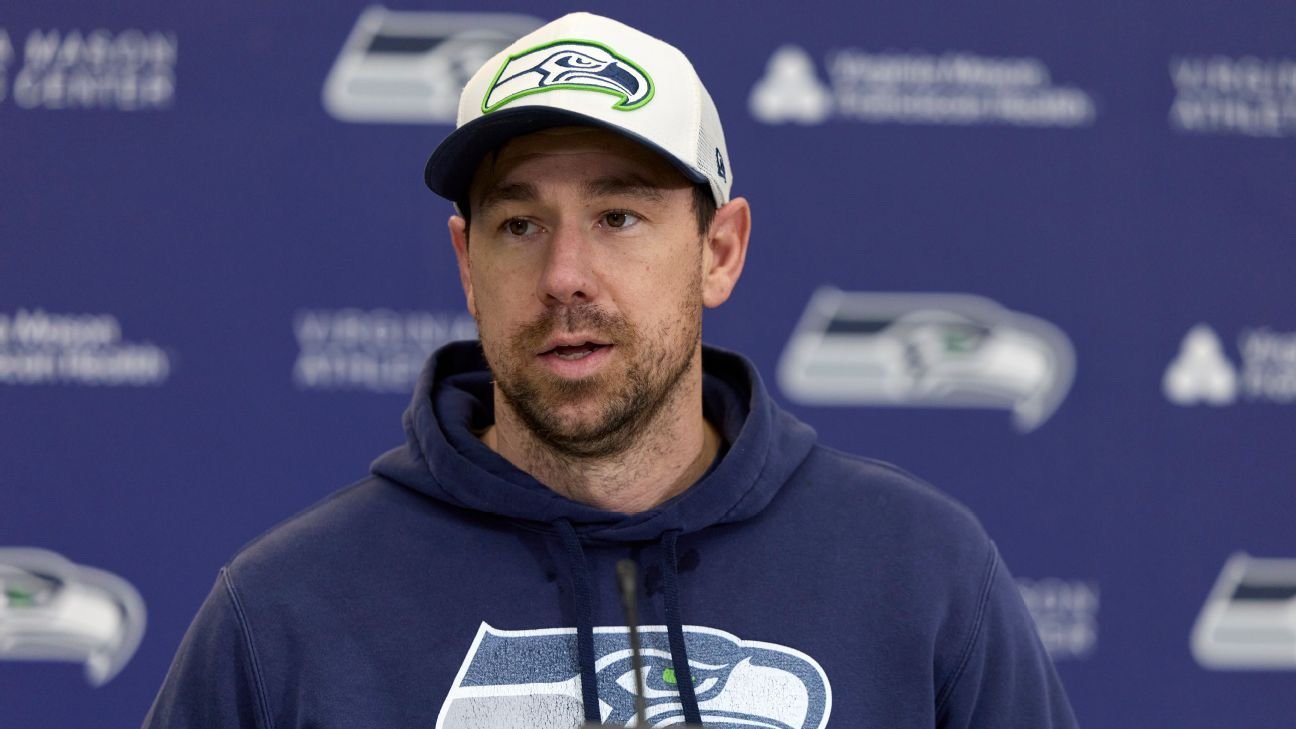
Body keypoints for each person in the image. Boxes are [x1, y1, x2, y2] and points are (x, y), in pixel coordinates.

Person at [144, 12, 1078, 729]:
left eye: (618, 217)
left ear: (719, 250)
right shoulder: (288, 612)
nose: (565, 276)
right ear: (467, 263)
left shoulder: (919, 573)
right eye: (520, 224)